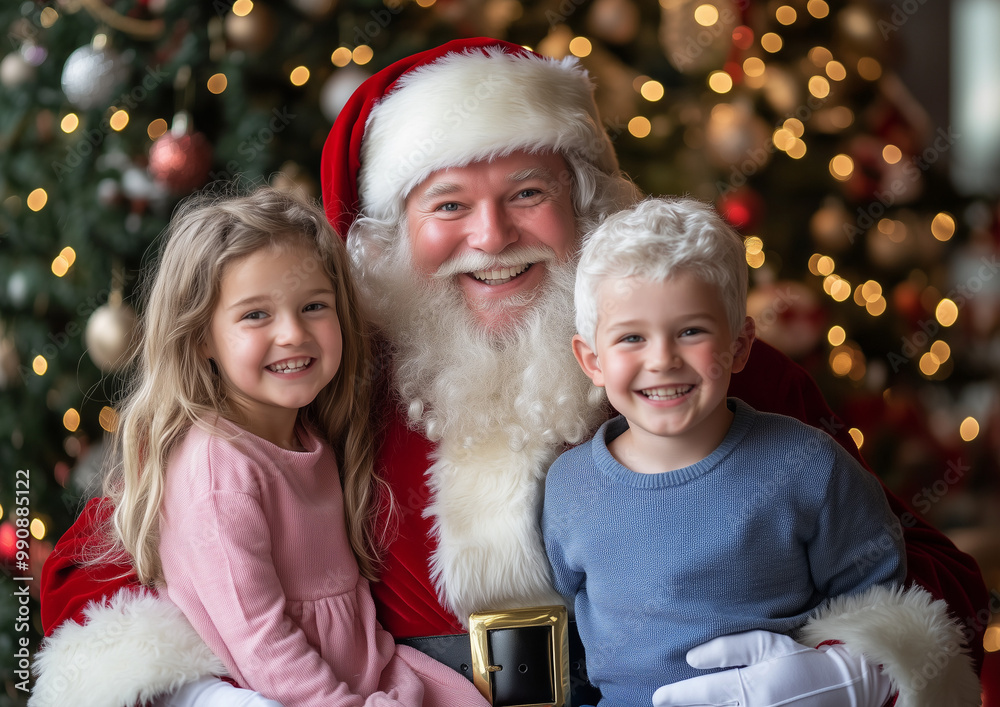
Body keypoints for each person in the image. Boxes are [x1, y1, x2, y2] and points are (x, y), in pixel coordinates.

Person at [33, 38, 985, 707]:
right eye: (448, 203)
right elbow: (93, 575)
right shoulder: (310, 379)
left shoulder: (709, 363)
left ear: (586, 205)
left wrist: (854, 665)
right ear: (386, 236)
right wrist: (204, 692)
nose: (491, 239)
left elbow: (923, 568)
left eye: (527, 194)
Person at [35, 187, 489, 707]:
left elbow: (353, 624)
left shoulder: (308, 437)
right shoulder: (218, 469)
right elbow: (261, 642)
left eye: (314, 306)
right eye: (256, 315)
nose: (293, 333)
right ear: (201, 336)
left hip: (376, 676)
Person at [543, 196, 911, 706]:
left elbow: (881, 601)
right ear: (592, 360)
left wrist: (845, 677)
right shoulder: (569, 488)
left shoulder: (808, 466)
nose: (662, 359)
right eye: (631, 337)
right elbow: (569, 640)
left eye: (690, 331)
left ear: (739, 346)